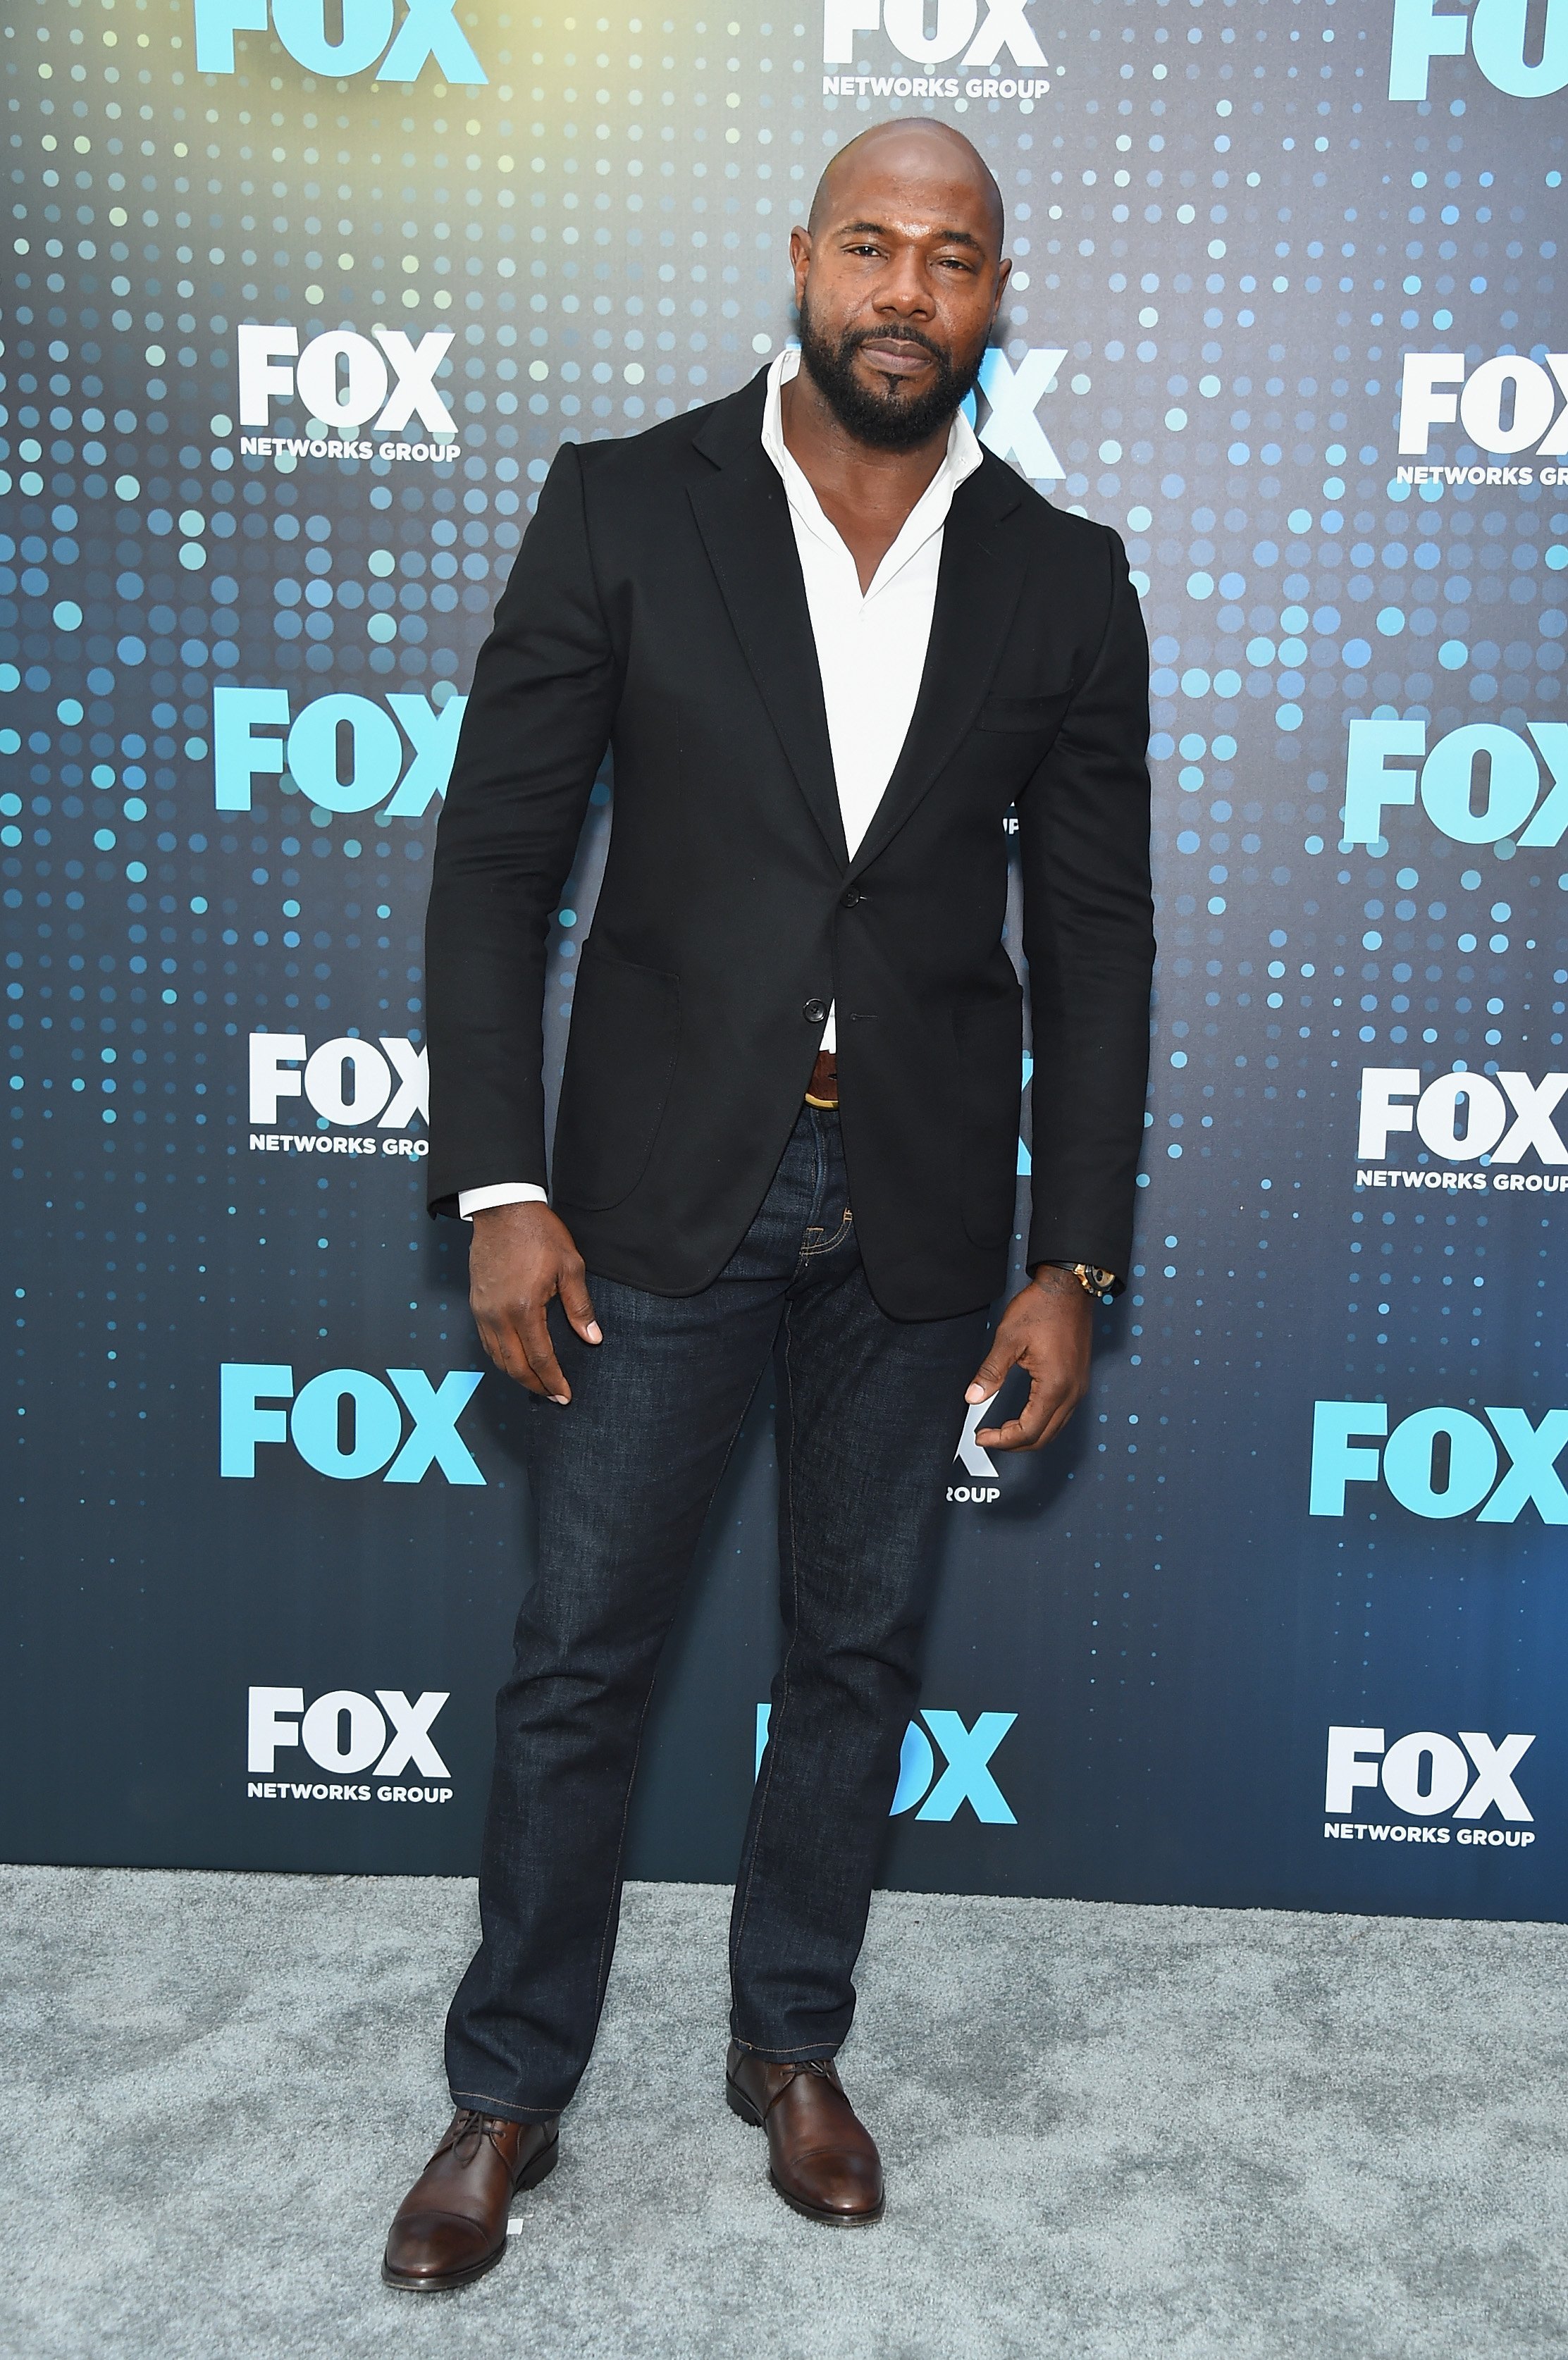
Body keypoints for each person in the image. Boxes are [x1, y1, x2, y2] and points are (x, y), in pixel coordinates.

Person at [383, 116, 1153, 2291]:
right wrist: (501, 1181)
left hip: (916, 1212)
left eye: (957, 259)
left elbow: (1098, 947)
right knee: (580, 1660)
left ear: (998, 296)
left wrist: (1072, 1252)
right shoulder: (626, 503)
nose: (908, 292)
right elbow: (494, 868)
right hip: (645, 1196)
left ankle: (785, 2042)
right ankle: (508, 2088)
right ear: (801, 259)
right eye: (873, 248)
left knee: (854, 1653)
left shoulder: (1063, 575)